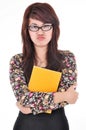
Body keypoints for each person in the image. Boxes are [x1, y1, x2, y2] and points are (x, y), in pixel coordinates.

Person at [9, 2, 78, 130]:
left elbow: (71, 97)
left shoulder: (67, 58)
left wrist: (29, 107)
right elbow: (24, 98)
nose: (40, 32)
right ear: (27, 30)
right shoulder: (17, 60)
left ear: (54, 28)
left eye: (46, 26)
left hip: (57, 126)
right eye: (34, 26)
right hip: (25, 126)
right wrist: (62, 96)